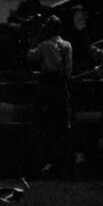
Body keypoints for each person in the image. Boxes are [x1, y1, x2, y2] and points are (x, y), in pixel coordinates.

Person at [27, 15, 74, 176]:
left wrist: (35, 39)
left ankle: (46, 158)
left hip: (47, 87)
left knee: (45, 123)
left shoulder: (45, 45)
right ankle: (64, 160)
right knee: (63, 123)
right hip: (62, 86)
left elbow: (30, 56)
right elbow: (68, 68)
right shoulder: (67, 45)